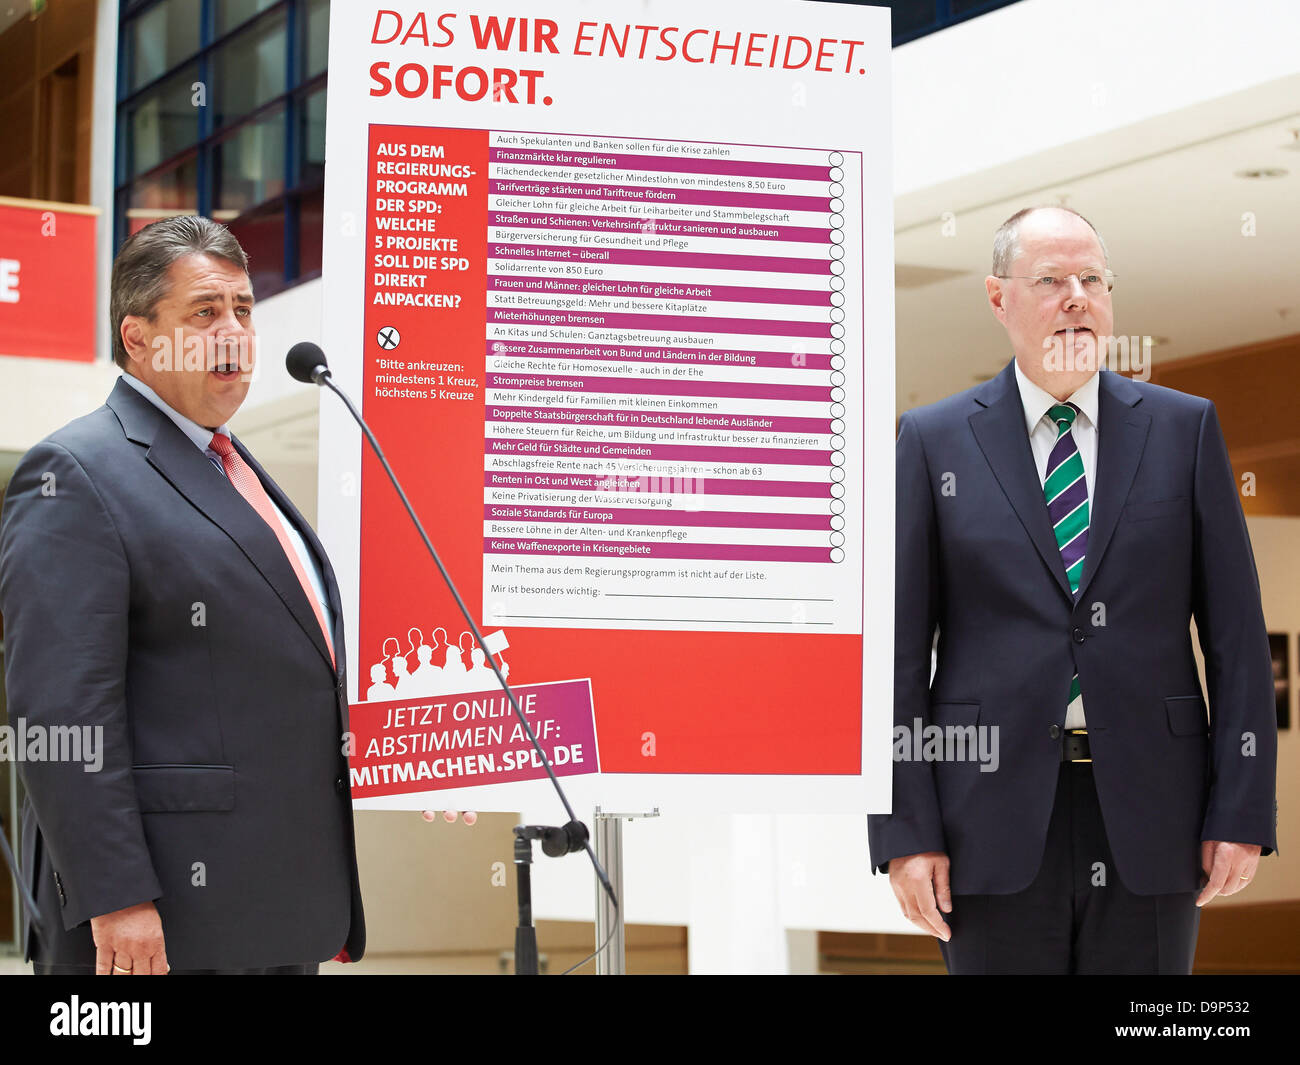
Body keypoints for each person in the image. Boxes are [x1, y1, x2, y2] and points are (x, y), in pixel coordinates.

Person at [867, 206, 1277, 974]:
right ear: (998, 298)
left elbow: (1238, 642)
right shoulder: (932, 441)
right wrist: (905, 829)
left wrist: (1242, 810)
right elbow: (893, 656)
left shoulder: (1183, 429)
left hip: (1157, 819)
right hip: (982, 823)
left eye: (1092, 279)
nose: (1077, 297)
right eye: (1051, 280)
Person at [0, 216, 364, 974]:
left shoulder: (236, 468)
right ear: (138, 339)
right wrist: (118, 897)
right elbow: (62, 712)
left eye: (243, 309)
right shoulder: (75, 472)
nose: (233, 330)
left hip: (268, 909)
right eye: (205, 312)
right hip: (160, 927)